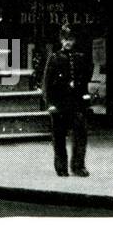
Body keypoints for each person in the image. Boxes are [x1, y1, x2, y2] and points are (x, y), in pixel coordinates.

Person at [43, 25, 92, 177]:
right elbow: (47, 83)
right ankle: (61, 167)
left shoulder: (80, 58)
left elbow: (84, 80)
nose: (67, 43)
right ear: (61, 41)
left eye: (70, 39)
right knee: (59, 137)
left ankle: (78, 166)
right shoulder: (55, 58)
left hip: (76, 103)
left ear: (74, 41)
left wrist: (85, 97)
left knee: (80, 135)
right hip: (59, 103)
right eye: (65, 40)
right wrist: (50, 104)